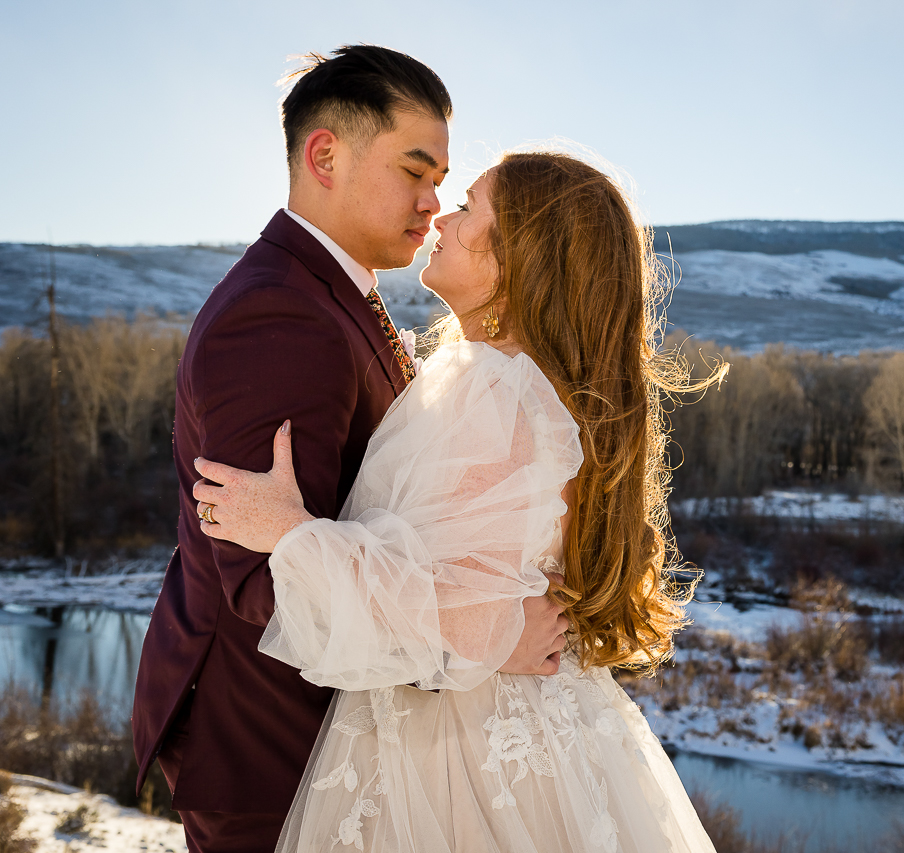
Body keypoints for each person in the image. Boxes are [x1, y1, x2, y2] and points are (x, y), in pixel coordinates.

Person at [190, 151, 722, 851]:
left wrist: (289, 531)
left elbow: (440, 607)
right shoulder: (536, 386)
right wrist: (504, 624)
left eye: (470, 207)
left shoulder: (497, 391)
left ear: (521, 258)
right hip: (528, 732)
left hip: (459, 757)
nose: (443, 214)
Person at [131, 46, 570, 853]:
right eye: (415, 170)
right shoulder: (279, 316)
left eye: (444, 180)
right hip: (276, 751)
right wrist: (487, 635)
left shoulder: (335, 297)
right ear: (324, 154)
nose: (434, 203)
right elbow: (265, 580)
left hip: (340, 750)